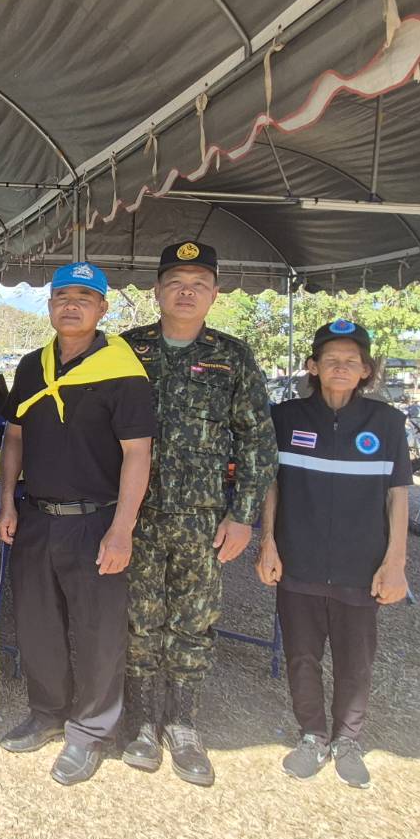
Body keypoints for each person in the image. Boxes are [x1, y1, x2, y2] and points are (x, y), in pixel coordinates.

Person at [119, 240, 276, 787]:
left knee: (194, 620)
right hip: (137, 515)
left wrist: (244, 516)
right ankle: (140, 721)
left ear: (214, 293)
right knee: (139, 618)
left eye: (199, 283)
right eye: (176, 281)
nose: (186, 291)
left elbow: (257, 440)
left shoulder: (233, 356)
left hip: (205, 519)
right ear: (157, 290)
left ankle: (182, 723)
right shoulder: (126, 350)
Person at [0, 262, 155, 785]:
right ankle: (46, 713)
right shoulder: (30, 366)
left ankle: (89, 732)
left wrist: (123, 528)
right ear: (49, 306)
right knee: (38, 623)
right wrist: (7, 502)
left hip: (97, 521)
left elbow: (137, 453)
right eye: (62, 295)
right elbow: (14, 437)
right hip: (38, 516)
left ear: (103, 308)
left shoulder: (121, 368)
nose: (71, 304)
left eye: (84, 297)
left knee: (98, 631)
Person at [258, 320, 410, 789]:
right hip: (297, 561)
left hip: (361, 566)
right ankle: (311, 736)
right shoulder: (285, 418)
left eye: (352, 361)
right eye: (330, 360)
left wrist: (395, 563)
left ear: (366, 370)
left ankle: (347, 740)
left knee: (354, 658)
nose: (341, 367)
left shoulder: (386, 423)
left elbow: (398, 496)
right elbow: (272, 486)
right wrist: (268, 543)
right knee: (302, 655)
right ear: (312, 366)